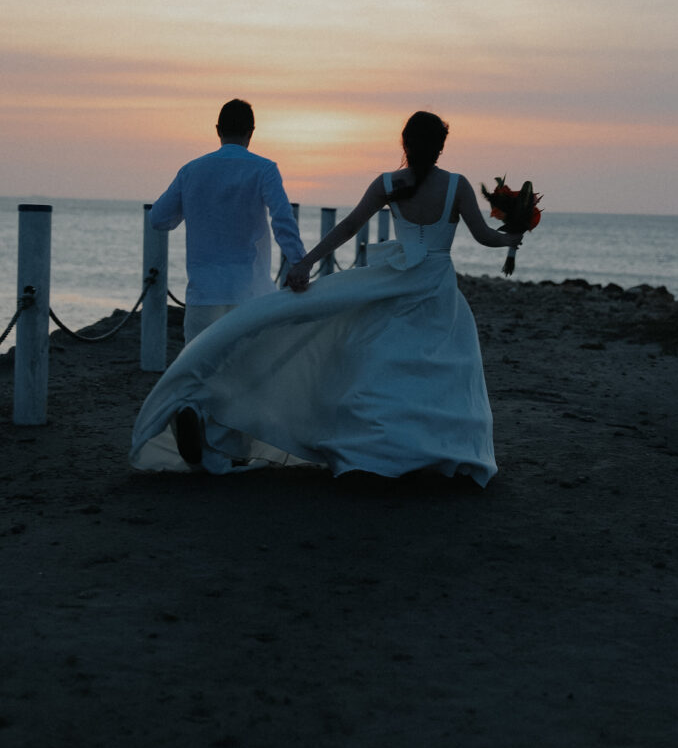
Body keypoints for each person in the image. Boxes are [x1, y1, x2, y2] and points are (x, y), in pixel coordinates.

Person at [131, 111, 522, 485]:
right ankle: (438, 453)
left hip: (395, 286)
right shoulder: (457, 185)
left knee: (387, 362)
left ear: (405, 143)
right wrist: (511, 237)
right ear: (441, 147)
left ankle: (382, 453)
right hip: (435, 287)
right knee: (437, 368)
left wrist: (307, 264)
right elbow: (484, 235)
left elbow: (350, 225)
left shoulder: (388, 182)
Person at [148, 99, 306, 345]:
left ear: (218, 130)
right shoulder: (264, 169)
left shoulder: (191, 171)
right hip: (251, 291)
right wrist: (299, 263)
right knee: (249, 372)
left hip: (204, 293)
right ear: (251, 132)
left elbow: (158, 219)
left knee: (199, 375)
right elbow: (282, 220)